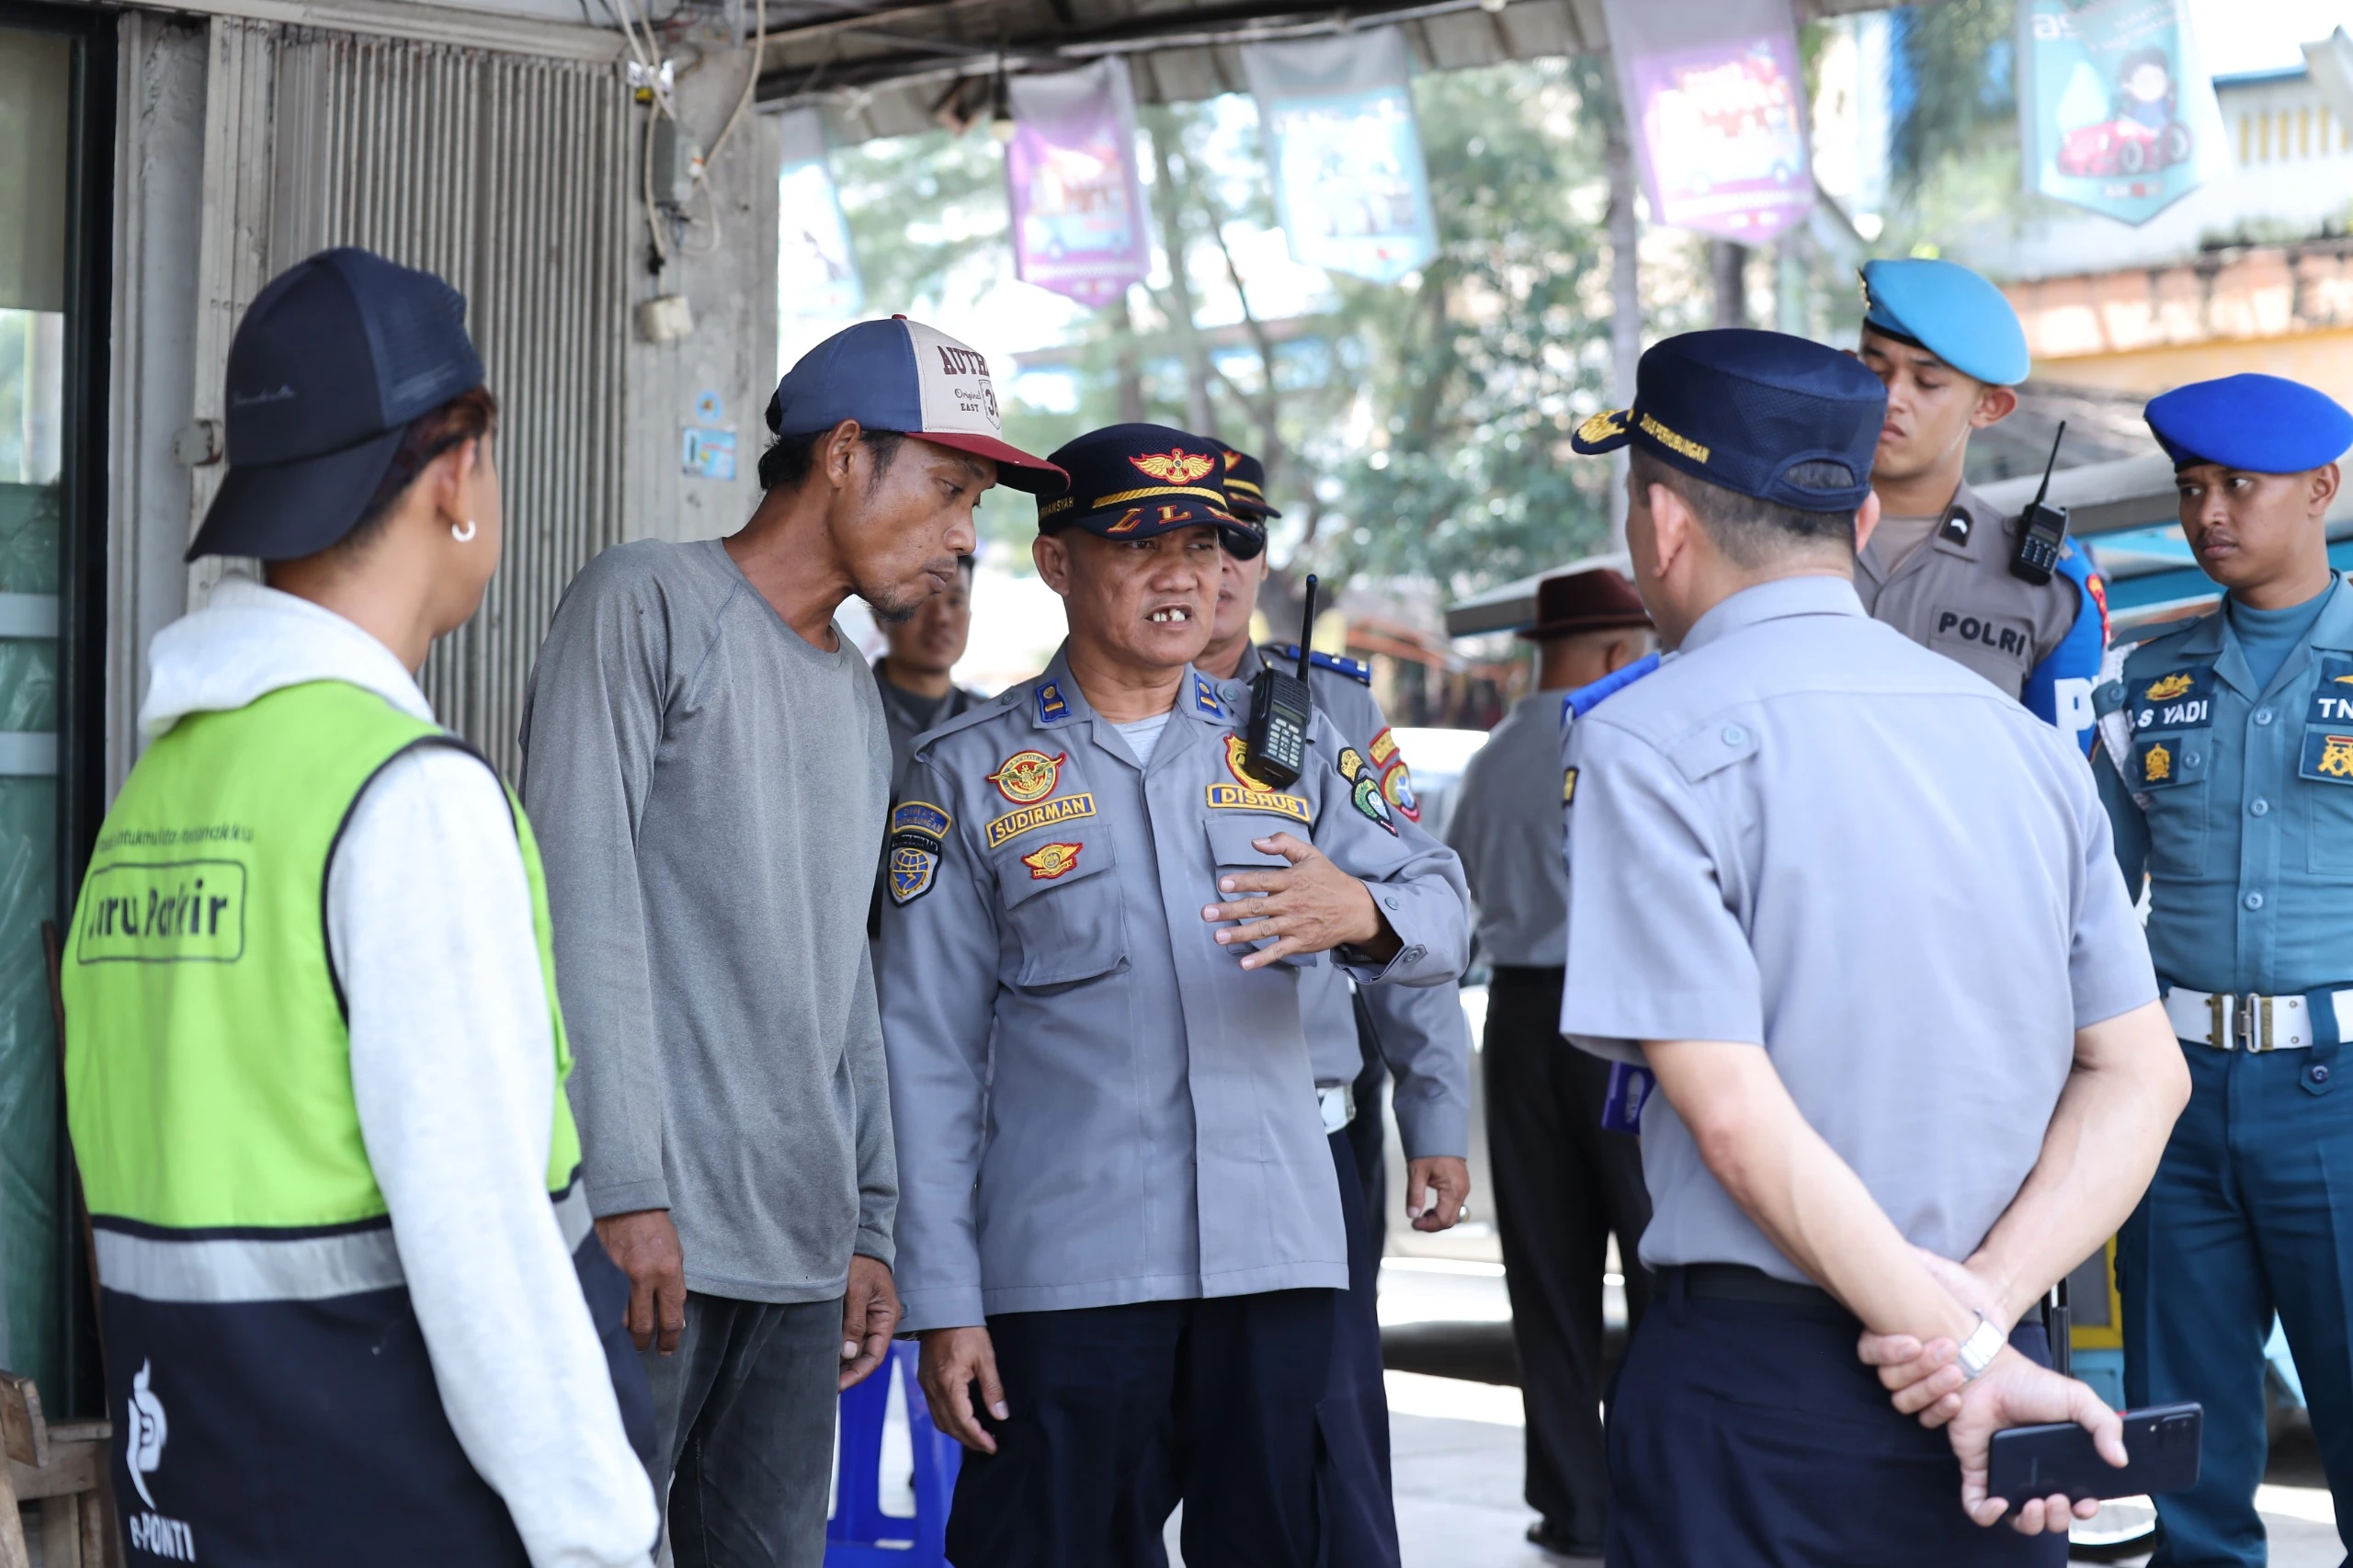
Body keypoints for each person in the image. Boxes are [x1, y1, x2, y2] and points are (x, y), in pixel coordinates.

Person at [60, 247, 658, 1564]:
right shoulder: (406, 799)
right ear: (458, 476)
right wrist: (604, 1537)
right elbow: (484, 1249)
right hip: (401, 1510)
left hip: (200, 1505)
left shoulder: (156, 799)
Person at [1558, 328, 2188, 1565]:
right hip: (2004, 1376)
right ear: (1855, 525)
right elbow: (2143, 1072)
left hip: (1764, 1391)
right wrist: (1988, 1315)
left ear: (1664, 523)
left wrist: (1958, 1348)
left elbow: (1735, 1120)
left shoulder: (1646, 743)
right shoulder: (2015, 746)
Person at [518, 316, 1066, 1566]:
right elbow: (577, 903)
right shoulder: (645, 601)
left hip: (802, 1252)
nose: (963, 536)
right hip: (650, 1236)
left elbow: (850, 983)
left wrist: (871, 1225)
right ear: (844, 453)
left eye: (974, 502)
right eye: (947, 489)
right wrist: (627, 1184)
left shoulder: (856, 704)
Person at [875, 422, 1470, 1568]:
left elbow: (1439, 899)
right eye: (1141, 542)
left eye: (1204, 543)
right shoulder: (967, 773)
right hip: (1071, 1272)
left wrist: (1363, 911)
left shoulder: (1289, 749)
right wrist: (944, 1299)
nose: (1183, 573)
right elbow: (923, 1057)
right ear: (1056, 562)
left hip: (1276, 1260)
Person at [2088, 373, 2353, 1567]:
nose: (2210, 513)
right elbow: (2086, 900)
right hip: (2175, 1094)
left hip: (2338, 1091)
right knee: (2181, 1440)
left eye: (2238, 486)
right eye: (2193, 489)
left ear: (2322, 490)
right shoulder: (2146, 682)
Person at [1196, 442, 1474, 1568]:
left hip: (1306, 1137)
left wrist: (1437, 1115)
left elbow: (1405, 920)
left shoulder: (1328, 714)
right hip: (1108, 1151)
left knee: (1316, 1451)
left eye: (1236, 543)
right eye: (1173, 541)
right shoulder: (1047, 734)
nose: (1209, 570)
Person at [1444, 565, 1654, 1559]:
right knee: (1660, 1262)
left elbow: (1459, 896)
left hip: (1520, 1018)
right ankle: (1658, 1487)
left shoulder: (1488, 761)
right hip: (1620, 1020)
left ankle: (1572, 1502)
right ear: (1618, 651)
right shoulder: (1622, 739)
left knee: (1545, 1273)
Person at [1851, 257, 2109, 750]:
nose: (1892, 396)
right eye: (1874, 368)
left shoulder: (2049, 588)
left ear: (1990, 407)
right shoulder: (1771, 542)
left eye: (1927, 382)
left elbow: (2067, 792)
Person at [873, 552, 983, 783]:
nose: (941, 618)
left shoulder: (990, 723)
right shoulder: (844, 714)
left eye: (955, 601)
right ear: (879, 616)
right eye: (920, 600)